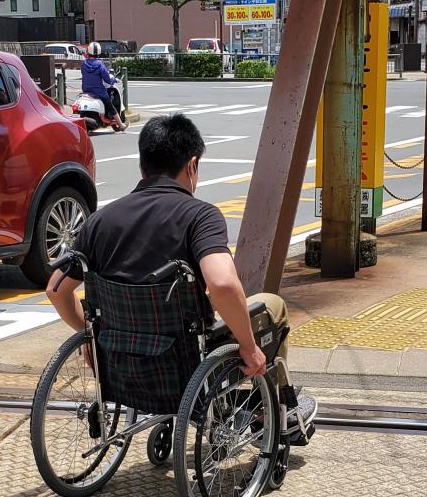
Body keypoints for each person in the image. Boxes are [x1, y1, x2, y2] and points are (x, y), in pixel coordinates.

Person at [46, 113, 316, 443]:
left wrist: (91, 335)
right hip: (184, 359)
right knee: (272, 305)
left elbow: (56, 289)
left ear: (142, 165)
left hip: (119, 354)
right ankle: (270, 415)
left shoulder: (100, 221)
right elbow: (221, 284)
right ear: (191, 165)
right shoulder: (199, 217)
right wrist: (247, 346)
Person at [80, 42, 126, 130]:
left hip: (86, 90)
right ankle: (121, 125)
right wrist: (114, 80)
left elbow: (83, 73)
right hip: (98, 91)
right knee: (109, 105)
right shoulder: (100, 64)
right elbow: (107, 79)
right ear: (99, 52)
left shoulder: (84, 63)